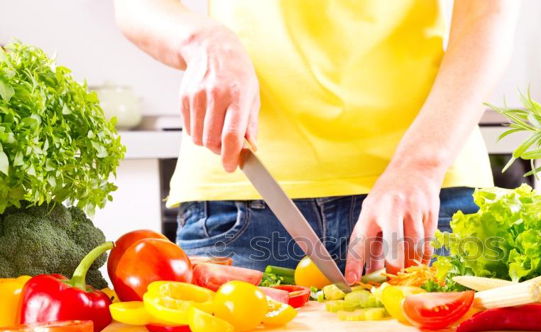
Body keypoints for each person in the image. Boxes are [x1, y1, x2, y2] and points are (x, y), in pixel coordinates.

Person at [114, 0, 519, 284]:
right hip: (244, 197)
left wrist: (421, 165)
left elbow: (489, 11)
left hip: (427, 202)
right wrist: (203, 41)